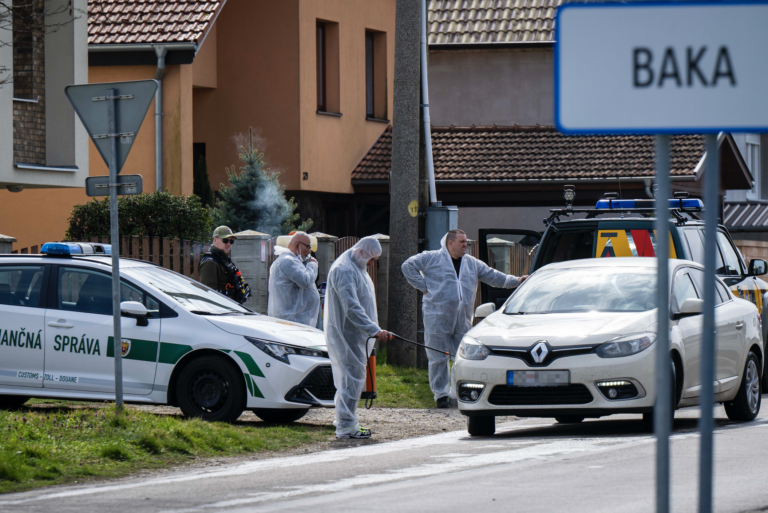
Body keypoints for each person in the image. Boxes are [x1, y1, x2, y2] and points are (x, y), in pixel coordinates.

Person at [402, 229, 527, 408]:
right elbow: (407, 266)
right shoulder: (432, 258)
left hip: (463, 317)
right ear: (449, 243)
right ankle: (441, 395)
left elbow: (494, 276)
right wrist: (422, 286)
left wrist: (517, 281)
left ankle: (457, 392)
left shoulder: (471, 263)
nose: (465, 245)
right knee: (437, 355)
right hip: (437, 316)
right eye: (461, 242)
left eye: (466, 242)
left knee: (461, 356)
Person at [325, 236, 393, 439]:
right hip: (347, 334)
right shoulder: (344, 270)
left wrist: (373, 329)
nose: (372, 264)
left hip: (355, 334)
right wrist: (374, 329)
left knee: (349, 378)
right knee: (352, 379)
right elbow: (352, 308)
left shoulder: (356, 268)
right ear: (362, 251)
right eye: (371, 259)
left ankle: (344, 420)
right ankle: (346, 426)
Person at [267, 232, 321, 326]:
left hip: (296, 321)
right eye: (308, 247)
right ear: (298, 245)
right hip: (292, 322)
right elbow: (306, 281)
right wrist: (313, 265)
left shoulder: (291, 260)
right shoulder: (288, 261)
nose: (309, 251)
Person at [199, 226, 251, 304]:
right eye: (225, 240)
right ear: (215, 240)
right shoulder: (210, 263)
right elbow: (208, 296)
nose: (229, 244)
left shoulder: (224, 259)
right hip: (220, 312)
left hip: (229, 309)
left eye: (231, 241)